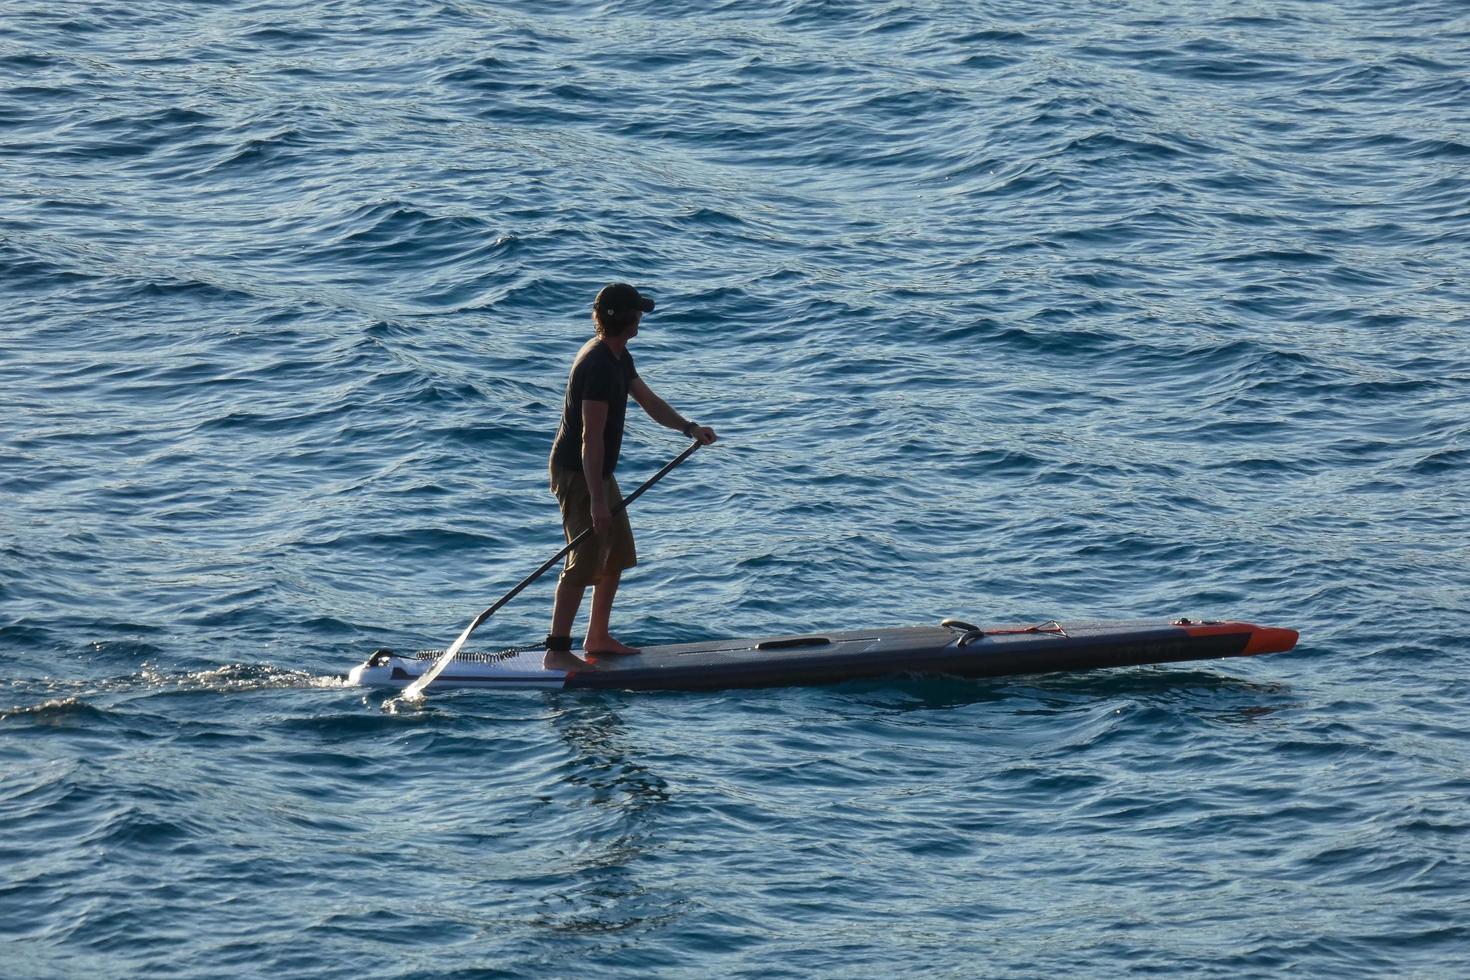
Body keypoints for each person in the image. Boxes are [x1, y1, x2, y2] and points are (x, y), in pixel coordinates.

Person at [545, 283, 716, 668]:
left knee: (617, 552)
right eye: (637, 312)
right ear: (626, 318)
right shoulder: (598, 366)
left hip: (597, 471)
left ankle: (598, 637)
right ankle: (556, 651)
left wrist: (689, 428)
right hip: (578, 472)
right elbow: (590, 440)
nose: (641, 318)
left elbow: (650, 403)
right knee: (584, 558)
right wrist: (598, 502)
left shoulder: (618, 357)